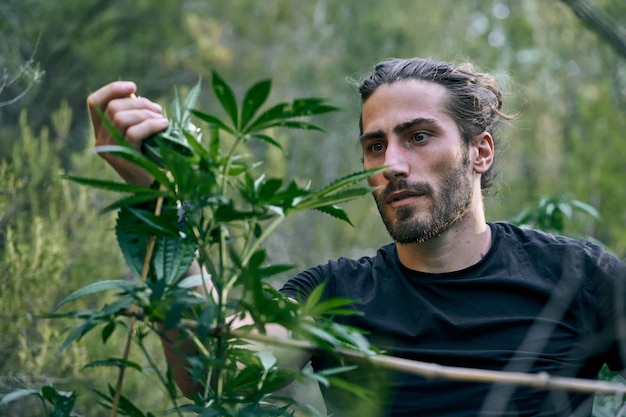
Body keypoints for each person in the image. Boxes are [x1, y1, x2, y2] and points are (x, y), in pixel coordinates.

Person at [88, 57, 626, 417]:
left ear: (479, 152)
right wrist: (159, 203)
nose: (391, 164)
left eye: (418, 136)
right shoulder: (332, 296)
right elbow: (216, 375)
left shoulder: (576, 275)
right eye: (374, 146)